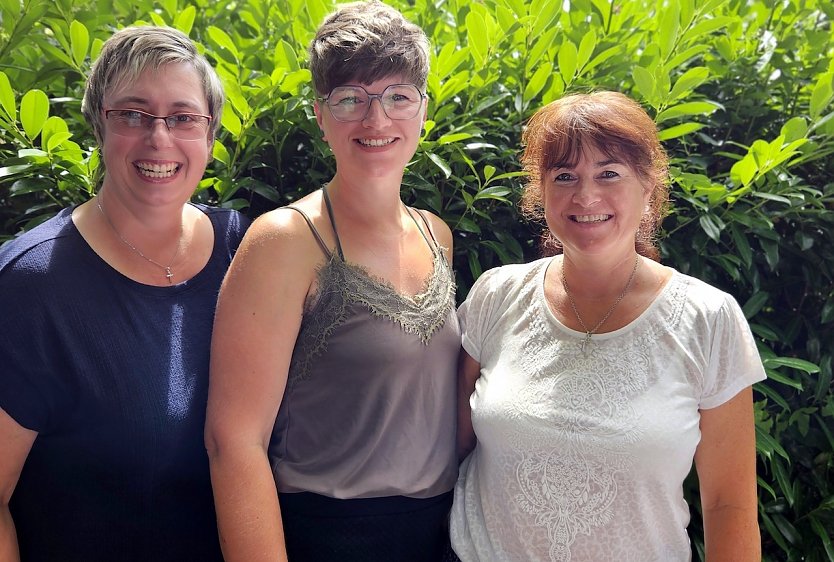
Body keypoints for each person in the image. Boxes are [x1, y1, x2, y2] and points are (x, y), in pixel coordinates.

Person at [451, 91, 765, 561]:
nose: (586, 195)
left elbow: (729, 505)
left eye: (609, 173)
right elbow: (451, 450)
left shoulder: (708, 319)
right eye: (564, 176)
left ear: (648, 186)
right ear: (542, 194)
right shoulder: (496, 296)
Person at [205, 2, 459, 561]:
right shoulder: (285, 241)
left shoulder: (436, 234)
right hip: (328, 536)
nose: (376, 121)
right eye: (350, 99)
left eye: (397, 96)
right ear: (320, 114)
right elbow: (234, 444)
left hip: (440, 535)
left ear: (423, 110)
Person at [0, 26, 248, 561]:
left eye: (183, 118)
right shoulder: (33, 285)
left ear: (209, 135)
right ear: (99, 126)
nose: (159, 139)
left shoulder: (244, 251)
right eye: (132, 115)